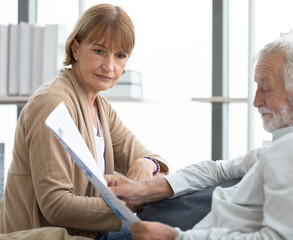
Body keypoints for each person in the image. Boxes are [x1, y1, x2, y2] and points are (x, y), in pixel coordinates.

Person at [105, 34, 293, 240]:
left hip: (181, 230)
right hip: (180, 221)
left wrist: (174, 237)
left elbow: (275, 238)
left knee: (92, 224)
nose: (256, 102)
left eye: (266, 88)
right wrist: (146, 189)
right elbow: (222, 170)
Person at [0, 3, 168, 239]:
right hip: (50, 234)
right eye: (99, 51)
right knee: (173, 220)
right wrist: (130, 204)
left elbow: (154, 159)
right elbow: (56, 205)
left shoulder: (100, 106)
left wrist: (146, 163)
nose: (110, 67)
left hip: (92, 231)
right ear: (76, 48)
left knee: (180, 212)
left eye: (120, 56)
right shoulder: (51, 103)